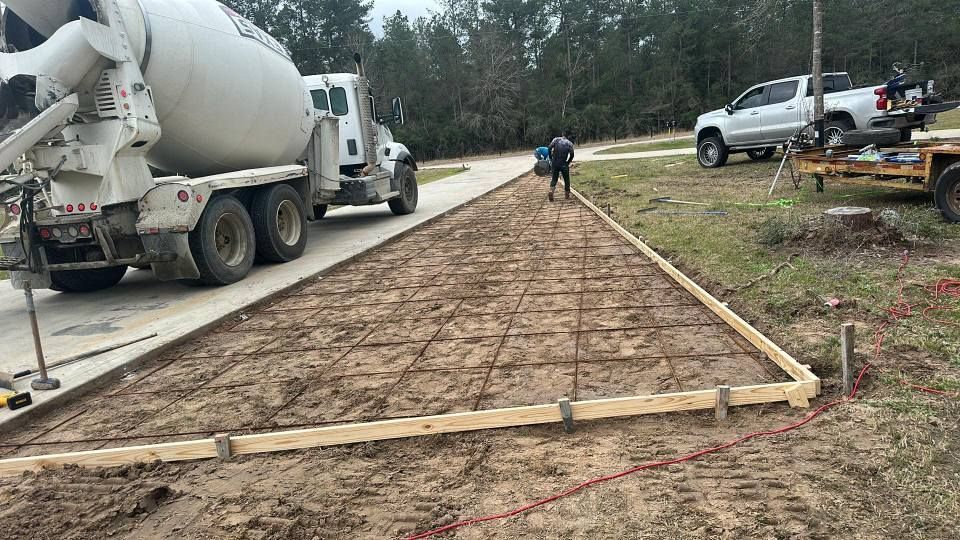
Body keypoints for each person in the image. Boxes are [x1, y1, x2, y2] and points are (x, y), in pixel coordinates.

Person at [548, 133, 575, 201]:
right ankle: (567, 195)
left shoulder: (556, 139)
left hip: (555, 163)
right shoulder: (569, 143)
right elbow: (572, 155)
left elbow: (549, 148)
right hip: (563, 163)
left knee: (554, 179)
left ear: (563, 135)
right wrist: (567, 162)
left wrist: (551, 158)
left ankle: (551, 191)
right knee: (566, 179)